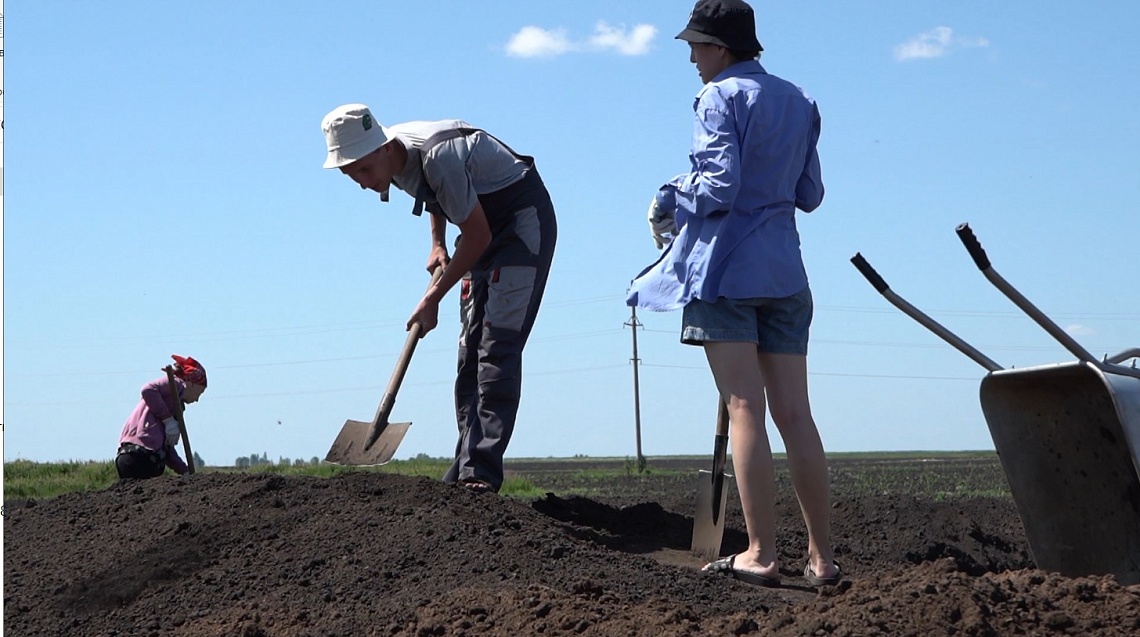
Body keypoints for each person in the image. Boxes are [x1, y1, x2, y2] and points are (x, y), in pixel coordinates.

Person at [627, 0, 840, 587]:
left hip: (725, 273)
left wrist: (670, 194)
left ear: (719, 48)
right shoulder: (799, 101)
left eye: (696, 47)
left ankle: (761, 553)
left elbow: (719, 185)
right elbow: (810, 192)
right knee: (795, 414)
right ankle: (822, 560)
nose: (692, 59)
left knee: (745, 407)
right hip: (787, 275)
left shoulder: (716, 97)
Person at [321, 104, 557, 494]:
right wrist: (437, 243)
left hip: (519, 223)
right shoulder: (393, 163)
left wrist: (433, 297)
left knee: (496, 348)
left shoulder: (437, 155)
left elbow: (474, 229)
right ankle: (466, 464)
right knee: (469, 356)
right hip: (477, 224)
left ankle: (480, 474)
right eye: (351, 175)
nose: (361, 182)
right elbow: (438, 197)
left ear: (383, 147)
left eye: (362, 170)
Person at [115, 355, 205, 480]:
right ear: (192, 384)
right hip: (142, 457)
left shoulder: (175, 406)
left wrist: (185, 471)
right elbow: (147, 389)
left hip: (130, 458)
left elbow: (166, 448)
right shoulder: (177, 385)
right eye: (200, 393)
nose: (197, 399)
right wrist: (167, 420)